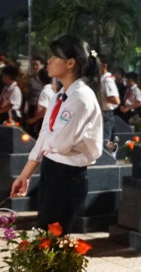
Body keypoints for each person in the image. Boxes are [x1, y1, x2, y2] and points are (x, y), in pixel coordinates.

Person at [10, 35, 104, 232]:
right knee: (44, 236)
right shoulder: (60, 95)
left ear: (70, 63)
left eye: (54, 56)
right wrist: (25, 175)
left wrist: (50, 140)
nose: (48, 61)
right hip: (52, 169)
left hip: (67, 177)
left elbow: (61, 144)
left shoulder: (81, 97)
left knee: (52, 241)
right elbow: (45, 135)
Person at [99, 55, 121, 142]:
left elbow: (116, 100)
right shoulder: (102, 79)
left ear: (104, 65)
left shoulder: (107, 80)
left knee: (104, 142)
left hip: (106, 114)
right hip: (101, 113)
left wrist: (101, 98)